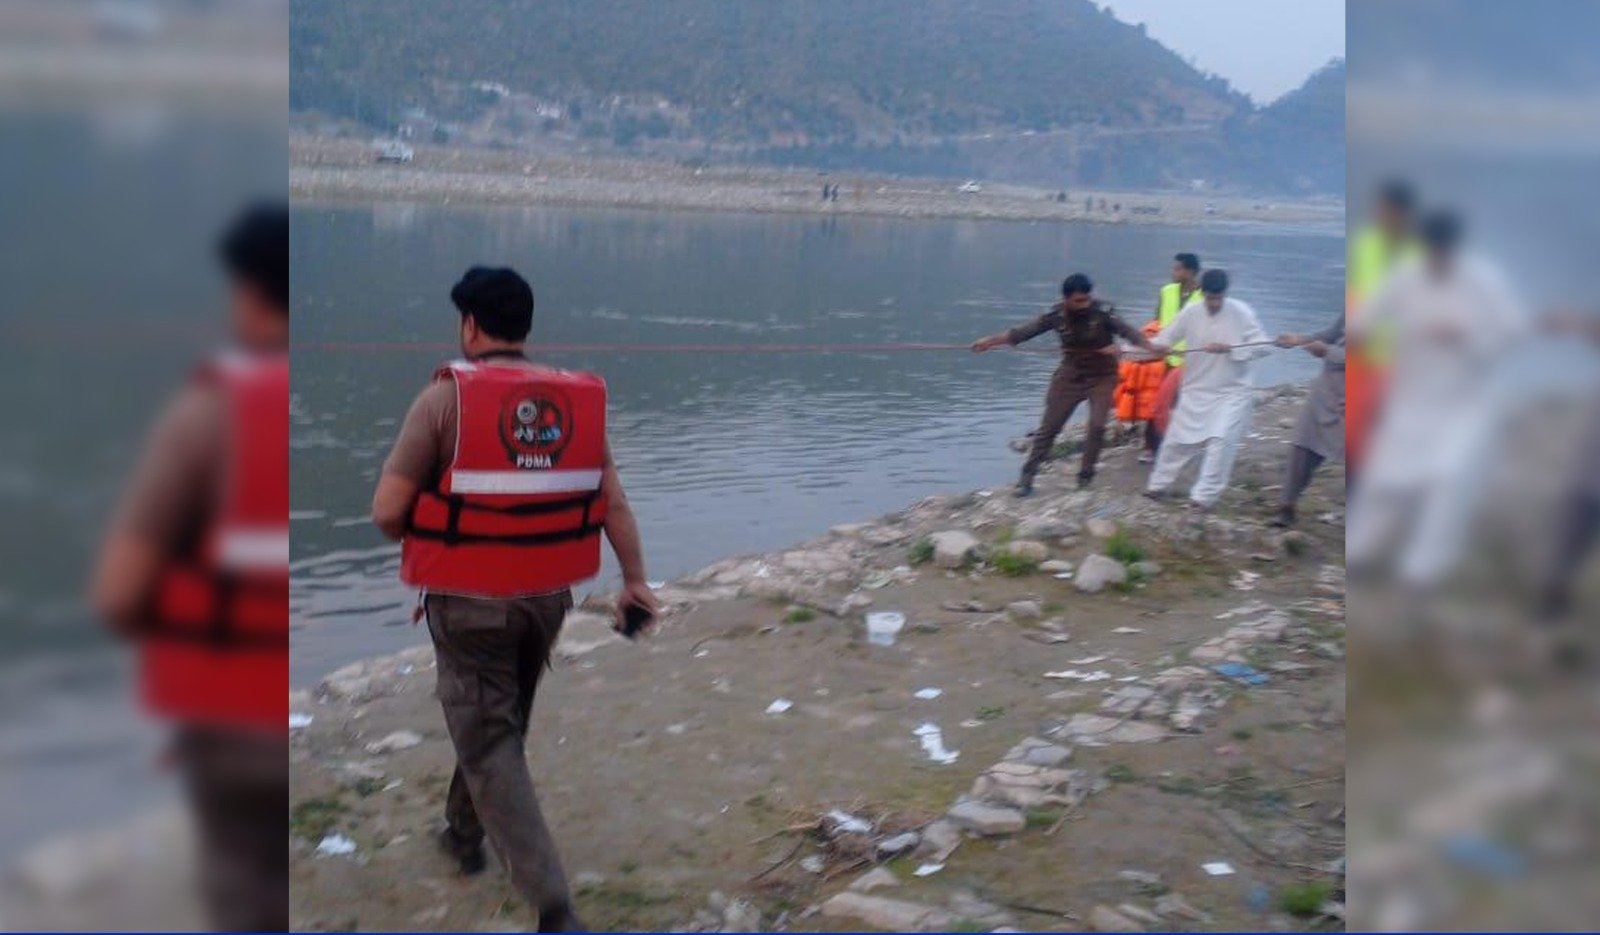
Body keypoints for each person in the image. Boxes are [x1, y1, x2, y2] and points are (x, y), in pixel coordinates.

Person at [371, 266, 656, 933]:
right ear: (524, 327)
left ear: (469, 325)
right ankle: (462, 834)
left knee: (490, 735)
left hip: (468, 605)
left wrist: (438, 526)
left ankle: (554, 907)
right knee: (497, 724)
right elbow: (611, 500)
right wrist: (635, 581)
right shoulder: (578, 401)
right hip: (546, 600)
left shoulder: (444, 401)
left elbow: (387, 511)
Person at [90, 203, 290, 932]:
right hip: (282, 711)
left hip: (226, 717)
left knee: (242, 889)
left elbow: (117, 592)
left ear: (244, 291)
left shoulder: (205, 414)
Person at [1346, 211, 1532, 589]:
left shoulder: (1483, 279)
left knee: (1446, 482)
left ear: (1454, 249)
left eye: (1442, 252)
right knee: (1387, 478)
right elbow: (1365, 320)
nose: (1436, 260)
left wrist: (1467, 334)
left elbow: (1515, 328)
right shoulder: (1407, 276)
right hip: (1411, 395)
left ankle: (1422, 571)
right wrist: (1362, 335)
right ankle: (1361, 553)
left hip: (1463, 400)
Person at [972, 273, 1161, 497]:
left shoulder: (1104, 313)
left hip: (1102, 376)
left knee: (1098, 425)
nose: (1084, 305)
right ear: (1066, 299)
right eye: (1078, 301)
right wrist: (990, 342)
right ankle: (1027, 476)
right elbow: (1021, 333)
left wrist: (1148, 346)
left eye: (1087, 299)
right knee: (1049, 428)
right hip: (1071, 375)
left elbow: (1128, 332)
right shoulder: (1056, 315)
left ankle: (1085, 477)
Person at [1143, 269, 1269, 509]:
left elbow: (1263, 346)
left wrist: (1232, 348)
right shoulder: (1190, 313)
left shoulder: (1241, 312)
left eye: (1218, 298)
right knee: (1176, 440)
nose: (1214, 303)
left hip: (1232, 391)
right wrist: (1133, 349)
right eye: (1210, 298)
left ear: (1225, 294)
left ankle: (1203, 498)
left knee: (1220, 442)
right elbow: (1164, 339)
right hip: (1197, 388)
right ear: (1203, 293)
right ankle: (1157, 486)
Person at [1346, 181, 1420, 474]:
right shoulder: (1366, 245)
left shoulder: (1420, 251)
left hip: (1402, 359)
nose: (1381, 216)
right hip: (1363, 357)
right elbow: (1357, 295)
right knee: (1357, 432)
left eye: (1387, 211)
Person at [1271, 314, 1346, 527]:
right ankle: (1287, 507)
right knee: (1303, 446)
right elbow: (1333, 334)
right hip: (1327, 389)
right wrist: (1300, 340)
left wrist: (1326, 351)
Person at [1137, 252, 1203, 462]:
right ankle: (1151, 447)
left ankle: (1183, 446)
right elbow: (1157, 321)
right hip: (1165, 358)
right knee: (1157, 402)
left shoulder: (1204, 297)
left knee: (1187, 406)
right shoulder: (1166, 291)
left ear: (1190, 272)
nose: (1173, 272)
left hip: (1192, 361)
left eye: (1177, 269)